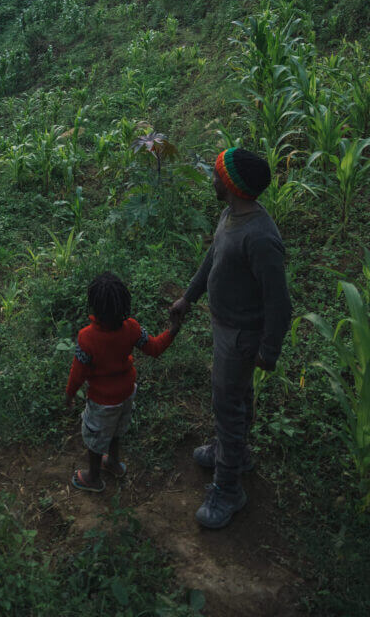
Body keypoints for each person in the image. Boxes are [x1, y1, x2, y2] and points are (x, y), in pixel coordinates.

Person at [170, 147, 292, 529]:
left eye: (218, 173)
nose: (213, 177)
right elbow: (212, 260)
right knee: (237, 399)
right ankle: (234, 452)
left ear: (234, 186)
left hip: (241, 337)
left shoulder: (259, 238)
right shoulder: (231, 214)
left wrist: (268, 350)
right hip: (225, 327)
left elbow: (280, 303)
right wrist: (188, 297)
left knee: (228, 407)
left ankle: (228, 490)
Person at [65, 270, 181, 492]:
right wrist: (173, 330)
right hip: (127, 393)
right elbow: (155, 348)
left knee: (96, 438)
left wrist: (70, 394)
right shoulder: (132, 328)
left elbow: (77, 373)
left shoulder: (87, 338)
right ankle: (114, 463)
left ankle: (93, 478)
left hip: (101, 401)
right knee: (116, 430)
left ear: (94, 307)